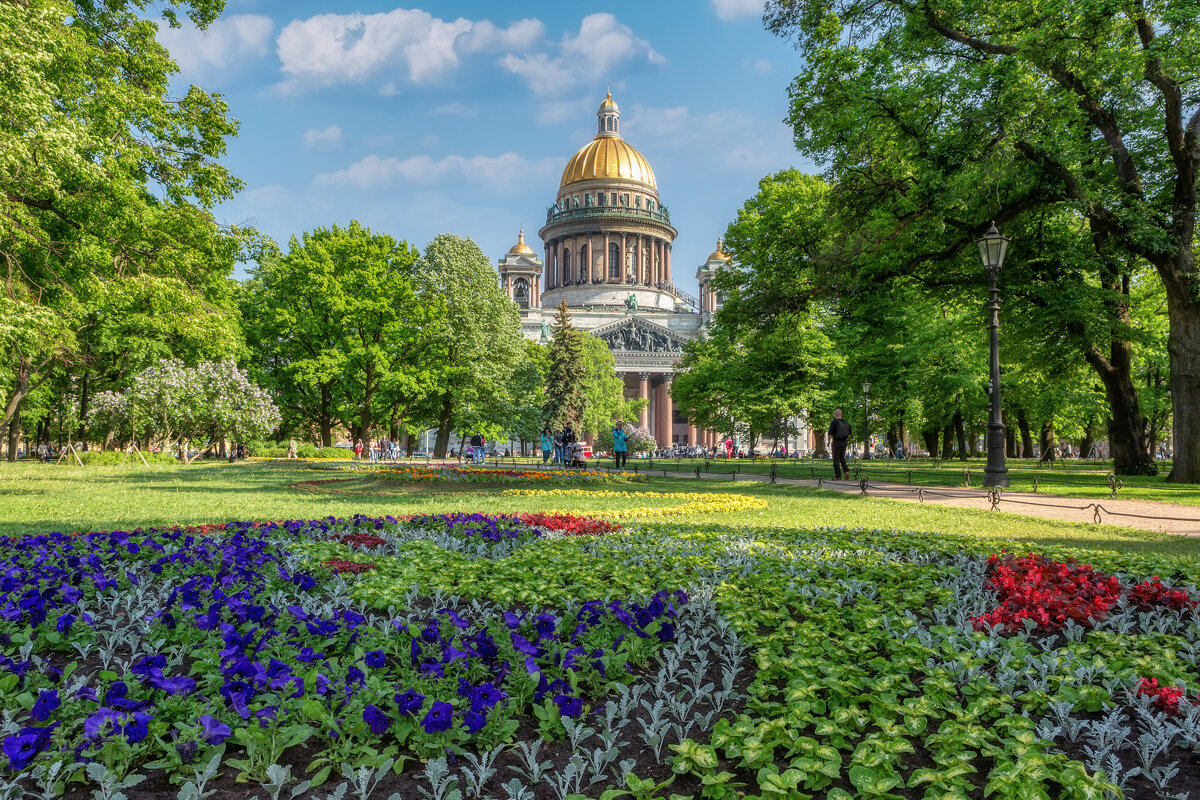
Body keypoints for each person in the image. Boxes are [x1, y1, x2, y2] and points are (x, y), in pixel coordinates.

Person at [828, 409, 851, 480]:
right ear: (841, 414)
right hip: (844, 442)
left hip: (836, 442)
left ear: (835, 414)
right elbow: (849, 434)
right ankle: (846, 471)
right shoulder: (846, 422)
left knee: (836, 459)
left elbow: (830, 434)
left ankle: (838, 476)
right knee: (842, 458)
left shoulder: (834, 422)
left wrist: (829, 442)